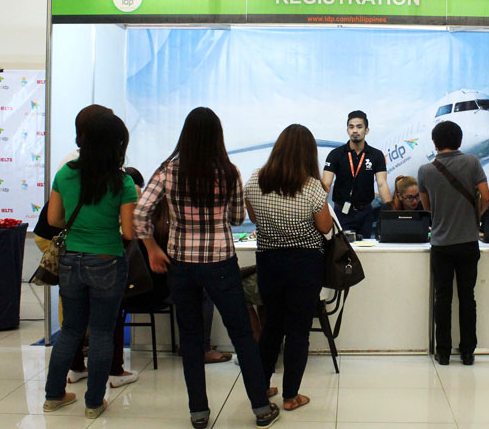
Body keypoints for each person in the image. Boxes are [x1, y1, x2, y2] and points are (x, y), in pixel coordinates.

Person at [134, 107, 279, 429]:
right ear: (217, 136)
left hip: (180, 264)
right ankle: (260, 407)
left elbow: (141, 213)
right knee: (241, 333)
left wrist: (153, 248)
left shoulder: (168, 170)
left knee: (191, 337)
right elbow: (236, 217)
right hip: (220, 263)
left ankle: (198, 412)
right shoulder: (229, 172)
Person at [43, 112, 138, 419]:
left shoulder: (66, 174)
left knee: (70, 330)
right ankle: (94, 403)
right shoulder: (122, 182)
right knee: (100, 332)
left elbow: (54, 220)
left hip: (71, 259)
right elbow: (128, 232)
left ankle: (53, 396)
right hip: (107, 260)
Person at [245, 124, 334, 412]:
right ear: (309, 152)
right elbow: (325, 226)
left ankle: (261, 388)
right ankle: (290, 396)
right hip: (305, 263)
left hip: (269, 261)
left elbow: (254, 218)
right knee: (298, 331)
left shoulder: (255, 181)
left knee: (272, 326)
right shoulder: (312, 186)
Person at [417, 121, 489, 366]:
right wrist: (475, 216)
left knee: (442, 298)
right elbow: (487, 197)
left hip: (441, 244)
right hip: (469, 241)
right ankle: (468, 352)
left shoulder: (425, 170)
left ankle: (443, 351)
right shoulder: (472, 162)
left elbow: (426, 207)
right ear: (460, 140)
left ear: (435, 142)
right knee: (467, 297)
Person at [322, 110, 391, 239]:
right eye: (351, 127)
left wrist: (390, 209)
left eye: (359, 127)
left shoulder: (376, 155)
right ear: (347, 130)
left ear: (367, 130)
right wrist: (320, 209)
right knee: (343, 251)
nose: (355, 130)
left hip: (366, 212)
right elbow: (326, 183)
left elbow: (382, 183)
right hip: (341, 211)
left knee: (366, 251)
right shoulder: (335, 154)